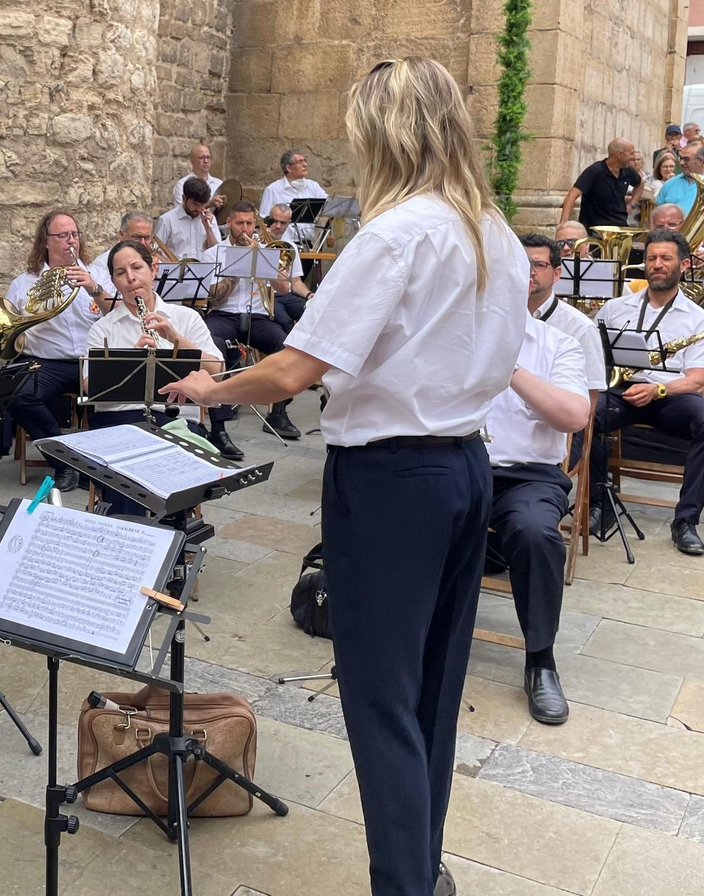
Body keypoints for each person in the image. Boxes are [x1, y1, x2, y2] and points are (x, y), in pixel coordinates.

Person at [161, 57, 526, 896]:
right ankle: (422, 868)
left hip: (392, 480)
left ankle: (404, 884)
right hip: (465, 464)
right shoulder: (496, 232)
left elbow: (293, 370)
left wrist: (213, 389)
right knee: (432, 689)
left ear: (386, 136)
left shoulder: (395, 235)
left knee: (378, 697)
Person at [485, 313, 590, 725]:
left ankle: (540, 661)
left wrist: (506, 367)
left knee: (533, 532)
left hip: (528, 474)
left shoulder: (557, 342)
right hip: (457, 459)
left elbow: (573, 417)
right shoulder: (451, 325)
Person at [593, 230, 704, 556]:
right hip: (622, 390)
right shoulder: (614, 309)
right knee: (583, 413)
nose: (657, 264)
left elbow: (696, 380)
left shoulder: (702, 320)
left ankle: (686, 521)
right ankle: (600, 502)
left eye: (665, 258)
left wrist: (658, 389)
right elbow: (593, 355)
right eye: (651, 258)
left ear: (682, 264)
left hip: (673, 396)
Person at [83, 240, 222, 515]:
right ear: (113, 280)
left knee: (171, 462)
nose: (131, 278)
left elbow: (216, 371)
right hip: (119, 422)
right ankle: (128, 538)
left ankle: (171, 544)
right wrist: (131, 360)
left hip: (175, 419)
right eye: (121, 273)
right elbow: (89, 387)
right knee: (126, 466)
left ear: (153, 269)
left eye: (137, 268)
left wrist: (174, 338)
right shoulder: (102, 329)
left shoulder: (186, 318)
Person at [4, 211, 110, 492]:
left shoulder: (97, 274)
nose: (71, 241)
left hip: (91, 361)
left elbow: (119, 312)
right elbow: (7, 326)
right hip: (45, 363)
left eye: (74, 235)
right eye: (63, 236)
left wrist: (94, 288)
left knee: (121, 394)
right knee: (17, 396)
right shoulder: (24, 283)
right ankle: (66, 462)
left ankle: (110, 464)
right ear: (46, 241)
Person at [201, 200, 306, 446]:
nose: (245, 229)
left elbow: (283, 288)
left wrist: (264, 261)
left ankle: (278, 413)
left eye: (250, 223)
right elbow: (213, 297)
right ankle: (219, 427)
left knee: (286, 348)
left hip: (258, 316)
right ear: (229, 223)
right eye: (240, 223)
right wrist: (237, 269)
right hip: (223, 315)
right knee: (212, 347)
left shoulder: (267, 250)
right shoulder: (213, 253)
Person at [522, 234, 606, 397]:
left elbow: (589, 399)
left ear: (557, 273)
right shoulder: (498, 318)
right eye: (524, 264)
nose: (530, 272)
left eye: (539, 265)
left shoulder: (580, 327)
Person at [561, 138, 641, 230]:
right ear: (620, 154)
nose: (634, 158)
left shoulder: (628, 171)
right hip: (594, 230)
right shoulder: (595, 171)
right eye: (631, 153)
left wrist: (632, 205)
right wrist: (564, 224)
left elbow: (640, 185)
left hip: (620, 228)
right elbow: (571, 196)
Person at [258, 148, 329, 250]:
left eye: (305, 161)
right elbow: (263, 220)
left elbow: (329, 205)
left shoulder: (313, 186)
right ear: (289, 168)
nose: (305, 165)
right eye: (300, 162)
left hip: (307, 245)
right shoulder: (273, 189)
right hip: (283, 245)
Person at [156, 177, 220, 261]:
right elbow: (155, 251)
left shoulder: (210, 219)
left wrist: (208, 229)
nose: (199, 209)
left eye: (203, 204)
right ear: (184, 199)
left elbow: (216, 253)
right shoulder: (167, 220)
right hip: (176, 271)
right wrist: (170, 265)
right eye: (195, 204)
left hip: (204, 271)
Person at [656, 143, 704, 215]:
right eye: (681, 158)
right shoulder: (669, 184)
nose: (681, 163)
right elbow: (655, 217)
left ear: (700, 161)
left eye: (686, 159)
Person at [170, 142, 223, 211]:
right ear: (192, 161)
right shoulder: (182, 184)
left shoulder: (219, 184)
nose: (206, 161)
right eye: (201, 158)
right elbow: (181, 212)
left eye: (208, 157)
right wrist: (209, 204)